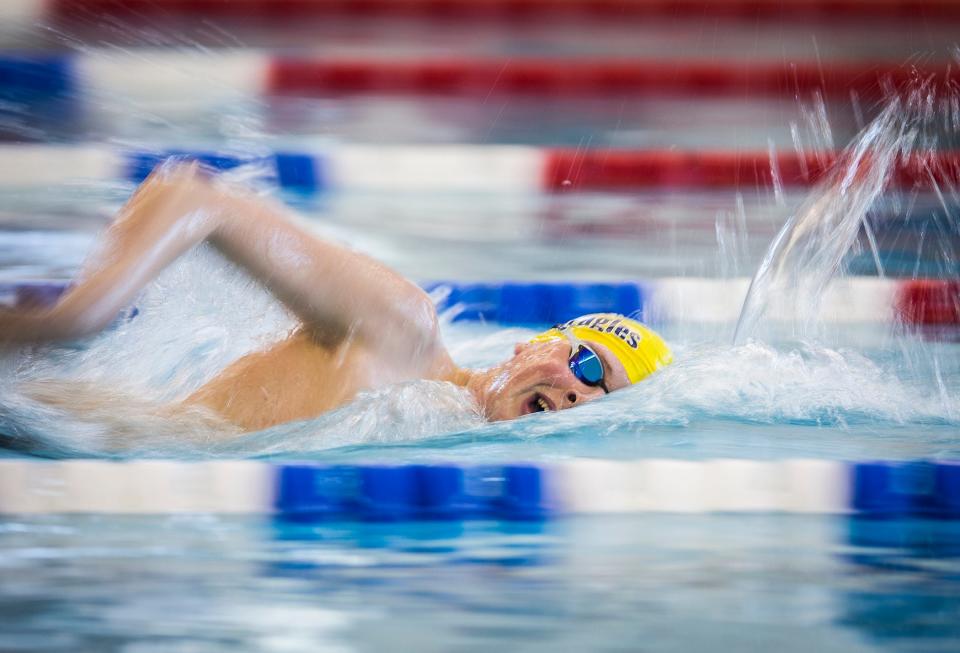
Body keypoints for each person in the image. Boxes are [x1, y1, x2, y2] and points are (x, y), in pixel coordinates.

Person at [0, 162, 672, 432]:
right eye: (588, 365)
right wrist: (77, 317)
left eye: (599, 398)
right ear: (538, 341)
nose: (582, 394)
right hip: (56, 423)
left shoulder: (439, 436)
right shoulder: (401, 330)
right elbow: (194, 197)